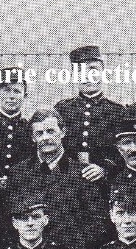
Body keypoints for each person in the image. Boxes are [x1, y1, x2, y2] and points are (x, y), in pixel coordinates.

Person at [8, 108, 109, 249]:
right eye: (39, 133)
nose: (45, 137)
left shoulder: (83, 172)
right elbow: (12, 220)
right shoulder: (18, 173)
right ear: (32, 137)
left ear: (62, 132)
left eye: (50, 131)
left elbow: (98, 222)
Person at [0, 66, 36, 249]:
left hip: (20, 201)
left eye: (17, 91)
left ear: (25, 95)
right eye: (6, 90)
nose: (11, 96)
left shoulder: (30, 129)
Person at [53, 45, 124, 180]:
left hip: (103, 182)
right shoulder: (62, 109)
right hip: (67, 180)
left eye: (93, 69)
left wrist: (105, 169)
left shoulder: (118, 111)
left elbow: (123, 150)